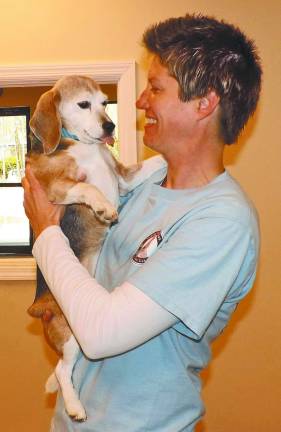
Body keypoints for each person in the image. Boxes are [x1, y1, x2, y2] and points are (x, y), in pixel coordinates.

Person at [22, 13, 262, 432]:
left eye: (155, 88)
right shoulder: (138, 188)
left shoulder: (221, 221)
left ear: (205, 102)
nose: (138, 102)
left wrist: (45, 234)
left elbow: (100, 332)